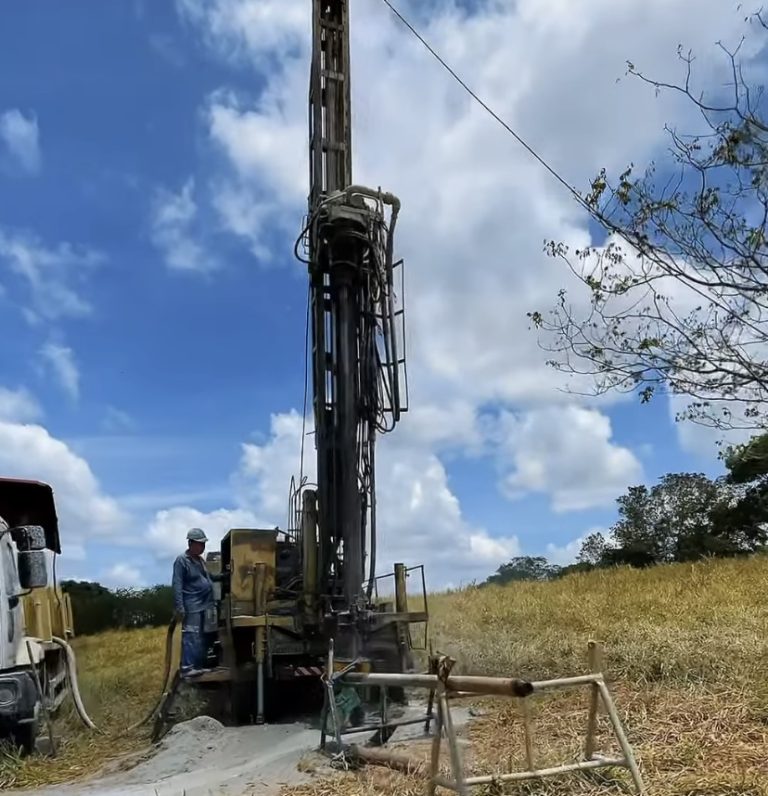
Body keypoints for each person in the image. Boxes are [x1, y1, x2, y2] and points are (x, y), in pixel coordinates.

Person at [172, 528, 223, 677]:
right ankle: (187, 668)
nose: (202, 547)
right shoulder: (182, 560)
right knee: (191, 635)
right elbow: (177, 585)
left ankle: (198, 666)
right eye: (200, 544)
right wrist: (180, 607)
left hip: (206, 604)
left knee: (204, 637)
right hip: (192, 605)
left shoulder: (200, 560)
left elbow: (208, 578)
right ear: (190, 543)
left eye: (203, 544)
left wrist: (223, 576)